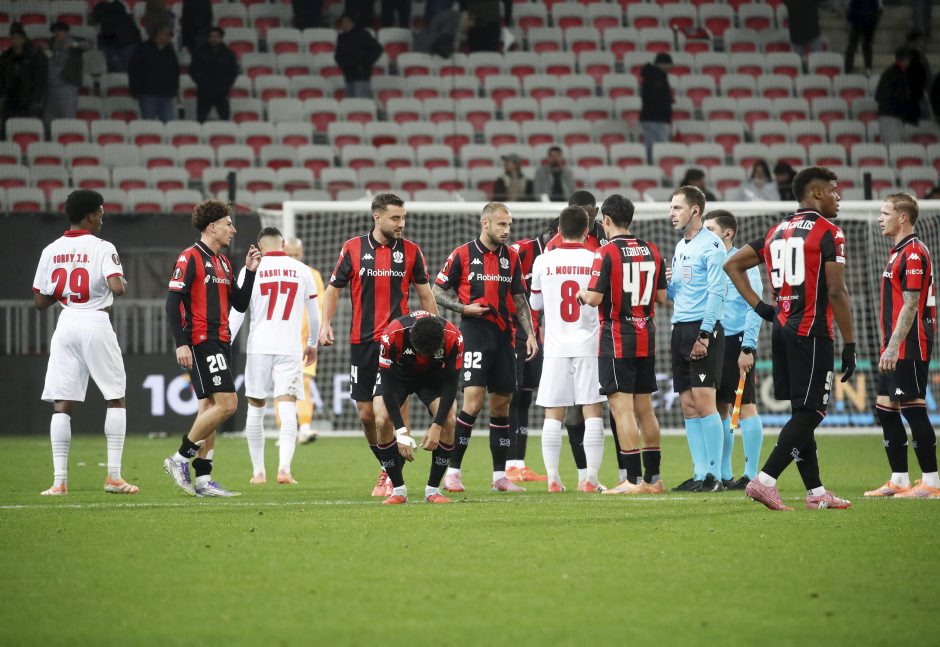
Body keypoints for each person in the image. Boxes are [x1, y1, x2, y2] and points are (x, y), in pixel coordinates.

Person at [724, 166, 856, 511]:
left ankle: (816, 491)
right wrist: (851, 343)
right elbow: (837, 291)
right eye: (833, 190)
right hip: (812, 331)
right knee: (813, 411)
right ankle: (765, 480)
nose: (837, 197)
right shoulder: (829, 232)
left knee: (801, 411)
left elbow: (732, 265)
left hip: (781, 328)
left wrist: (761, 307)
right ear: (816, 193)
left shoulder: (776, 231)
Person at [319, 194, 437, 496]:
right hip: (362, 342)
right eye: (395, 218)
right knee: (366, 414)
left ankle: (391, 475)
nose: (401, 224)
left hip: (399, 341)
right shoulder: (353, 248)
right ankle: (387, 464)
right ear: (377, 217)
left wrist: (434, 332)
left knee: (394, 408)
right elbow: (333, 290)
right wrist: (325, 323)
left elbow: (425, 294)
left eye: (403, 218)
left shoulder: (411, 251)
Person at [31, 190, 137, 496]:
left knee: (62, 403)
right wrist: (121, 282)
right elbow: (117, 287)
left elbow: (40, 301)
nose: (103, 217)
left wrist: (66, 293)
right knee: (115, 396)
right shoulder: (103, 247)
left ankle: (59, 481)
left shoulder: (51, 249)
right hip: (95, 321)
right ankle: (113, 477)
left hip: (66, 323)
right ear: (91, 215)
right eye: (100, 212)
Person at [433, 202, 539, 492]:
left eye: (509, 225)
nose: (507, 230)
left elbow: (519, 299)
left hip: (504, 337)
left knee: (502, 406)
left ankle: (499, 477)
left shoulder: (512, 257)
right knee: (473, 402)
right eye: (501, 224)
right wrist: (463, 308)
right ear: (485, 223)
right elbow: (437, 290)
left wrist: (530, 334)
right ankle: (453, 472)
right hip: (474, 333)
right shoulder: (462, 254)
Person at [163, 200, 261, 497]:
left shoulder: (224, 262)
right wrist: (182, 343)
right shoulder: (190, 257)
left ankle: (204, 479)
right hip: (201, 339)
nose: (233, 229)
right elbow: (172, 303)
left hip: (221, 338)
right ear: (212, 227)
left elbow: (239, 304)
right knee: (228, 405)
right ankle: (179, 458)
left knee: (209, 408)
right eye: (229, 224)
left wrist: (250, 272)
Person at [579, 195, 668, 494]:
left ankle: (632, 480)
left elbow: (594, 299)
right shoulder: (652, 250)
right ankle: (653, 479)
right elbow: (662, 298)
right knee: (645, 410)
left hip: (617, 338)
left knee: (622, 410)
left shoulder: (605, 252)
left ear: (606, 220)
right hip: (646, 335)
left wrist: (582, 293)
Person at [227, 227, 319, 486]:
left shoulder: (250, 269)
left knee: (256, 408)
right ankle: (284, 470)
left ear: (261, 246)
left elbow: (238, 312)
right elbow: (314, 314)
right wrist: (312, 343)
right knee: (288, 407)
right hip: (289, 347)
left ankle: (258, 473)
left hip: (259, 346)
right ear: (283, 244)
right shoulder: (302, 270)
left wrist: (226, 342)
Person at [865, 194, 940, 498]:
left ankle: (932, 482)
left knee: (912, 408)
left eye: (885, 213)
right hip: (895, 343)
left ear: (903, 218)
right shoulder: (899, 252)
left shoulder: (913, 253)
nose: (880, 219)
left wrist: (894, 346)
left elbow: (911, 304)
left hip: (910, 343)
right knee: (886, 408)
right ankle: (899, 479)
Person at [530, 206, 607, 492]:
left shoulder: (542, 261)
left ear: (559, 230)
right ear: (587, 231)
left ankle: (553, 478)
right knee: (592, 411)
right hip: (589, 345)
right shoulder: (596, 258)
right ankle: (591, 479)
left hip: (555, 346)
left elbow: (535, 304)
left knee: (553, 413)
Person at [667, 186, 727, 492]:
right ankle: (700, 473)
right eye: (671, 207)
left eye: (677, 207)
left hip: (702, 329)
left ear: (695, 211)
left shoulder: (712, 246)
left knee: (705, 402)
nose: (671, 213)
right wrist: (668, 285)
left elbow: (717, 292)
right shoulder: (681, 247)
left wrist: (704, 334)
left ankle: (715, 476)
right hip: (679, 327)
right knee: (688, 405)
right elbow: (679, 294)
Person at [372, 312, 464, 504]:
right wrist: (401, 432)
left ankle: (433, 490)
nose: (423, 356)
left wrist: (437, 425)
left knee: (449, 419)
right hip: (399, 374)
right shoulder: (392, 334)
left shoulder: (454, 338)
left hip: (432, 375)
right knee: (381, 419)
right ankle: (398, 490)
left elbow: (451, 385)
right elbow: (388, 386)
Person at [703, 210, 765, 490]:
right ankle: (724, 473)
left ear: (727, 233)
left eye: (710, 229)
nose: (705, 234)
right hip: (716, 341)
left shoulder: (744, 262)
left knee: (747, 406)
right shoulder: (709, 260)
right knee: (719, 408)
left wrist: (748, 346)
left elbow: (755, 306)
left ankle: (751, 474)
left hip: (738, 340)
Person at [283, 237, 326, 444]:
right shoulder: (277, 274)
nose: (293, 258)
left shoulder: (312, 275)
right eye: (289, 254)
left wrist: (320, 331)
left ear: (302, 254)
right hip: (282, 340)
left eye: (296, 255)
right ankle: (285, 431)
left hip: (306, 341)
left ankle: (305, 428)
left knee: (304, 383)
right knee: (283, 388)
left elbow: (321, 305)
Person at [0, 23, 48, 129]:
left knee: (25, 127)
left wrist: (36, 97)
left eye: (18, 38)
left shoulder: (33, 56)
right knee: (7, 126)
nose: (15, 41)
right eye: (13, 38)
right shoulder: (5, 57)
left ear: (23, 39)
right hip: (10, 98)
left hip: (27, 99)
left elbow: (39, 78)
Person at [128, 24, 179, 123]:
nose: (170, 38)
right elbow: (133, 69)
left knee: (169, 123)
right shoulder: (143, 48)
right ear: (159, 34)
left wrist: (174, 88)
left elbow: (175, 70)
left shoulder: (169, 50)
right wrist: (134, 89)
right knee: (149, 123)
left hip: (166, 94)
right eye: (168, 35)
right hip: (148, 93)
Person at [189, 27, 239, 123]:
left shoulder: (229, 53)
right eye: (211, 36)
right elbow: (192, 70)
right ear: (208, 38)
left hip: (222, 92)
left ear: (221, 38)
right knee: (201, 119)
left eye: (216, 36)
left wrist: (227, 85)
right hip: (204, 92)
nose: (214, 39)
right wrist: (201, 83)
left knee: (225, 119)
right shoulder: (200, 52)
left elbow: (233, 72)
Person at [44, 22, 88, 126]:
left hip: (67, 85)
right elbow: (51, 59)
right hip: (51, 85)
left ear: (66, 32)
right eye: (56, 31)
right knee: (50, 119)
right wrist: (46, 50)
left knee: (68, 117)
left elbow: (88, 45)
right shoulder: (50, 44)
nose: (58, 34)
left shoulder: (73, 43)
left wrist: (73, 44)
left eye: (60, 31)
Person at [334, 14, 383, 99]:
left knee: (360, 103)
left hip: (361, 76)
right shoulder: (341, 38)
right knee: (351, 104)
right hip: (348, 76)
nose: (345, 24)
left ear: (353, 23)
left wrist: (365, 63)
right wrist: (342, 64)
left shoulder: (363, 34)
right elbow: (338, 55)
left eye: (347, 22)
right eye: (343, 22)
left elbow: (377, 49)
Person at [639, 53, 673, 164]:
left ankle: (651, 165)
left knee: (651, 144)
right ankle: (654, 166)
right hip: (656, 117)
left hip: (651, 117)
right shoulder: (657, 77)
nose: (670, 67)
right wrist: (667, 101)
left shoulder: (652, 76)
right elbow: (655, 97)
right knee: (659, 147)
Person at [875, 48, 913, 146]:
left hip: (892, 115)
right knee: (894, 146)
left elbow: (878, 96)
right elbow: (889, 96)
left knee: (895, 146)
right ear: (906, 59)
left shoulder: (892, 73)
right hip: (891, 116)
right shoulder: (895, 74)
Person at [91, 0, 141, 73]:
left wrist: (99, 37)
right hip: (137, 46)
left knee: (123, 76)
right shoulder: (122, 13)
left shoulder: (106, 17)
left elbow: (108, 35)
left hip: (124, 49)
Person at [845, 0, 882, 75]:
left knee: (854, 46)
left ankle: (849, 70)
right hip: (865, 21)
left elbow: (850, 7)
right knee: (862, 46)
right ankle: (867, 68)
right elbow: (878, 9)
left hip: (861, 21)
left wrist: (849, 19)